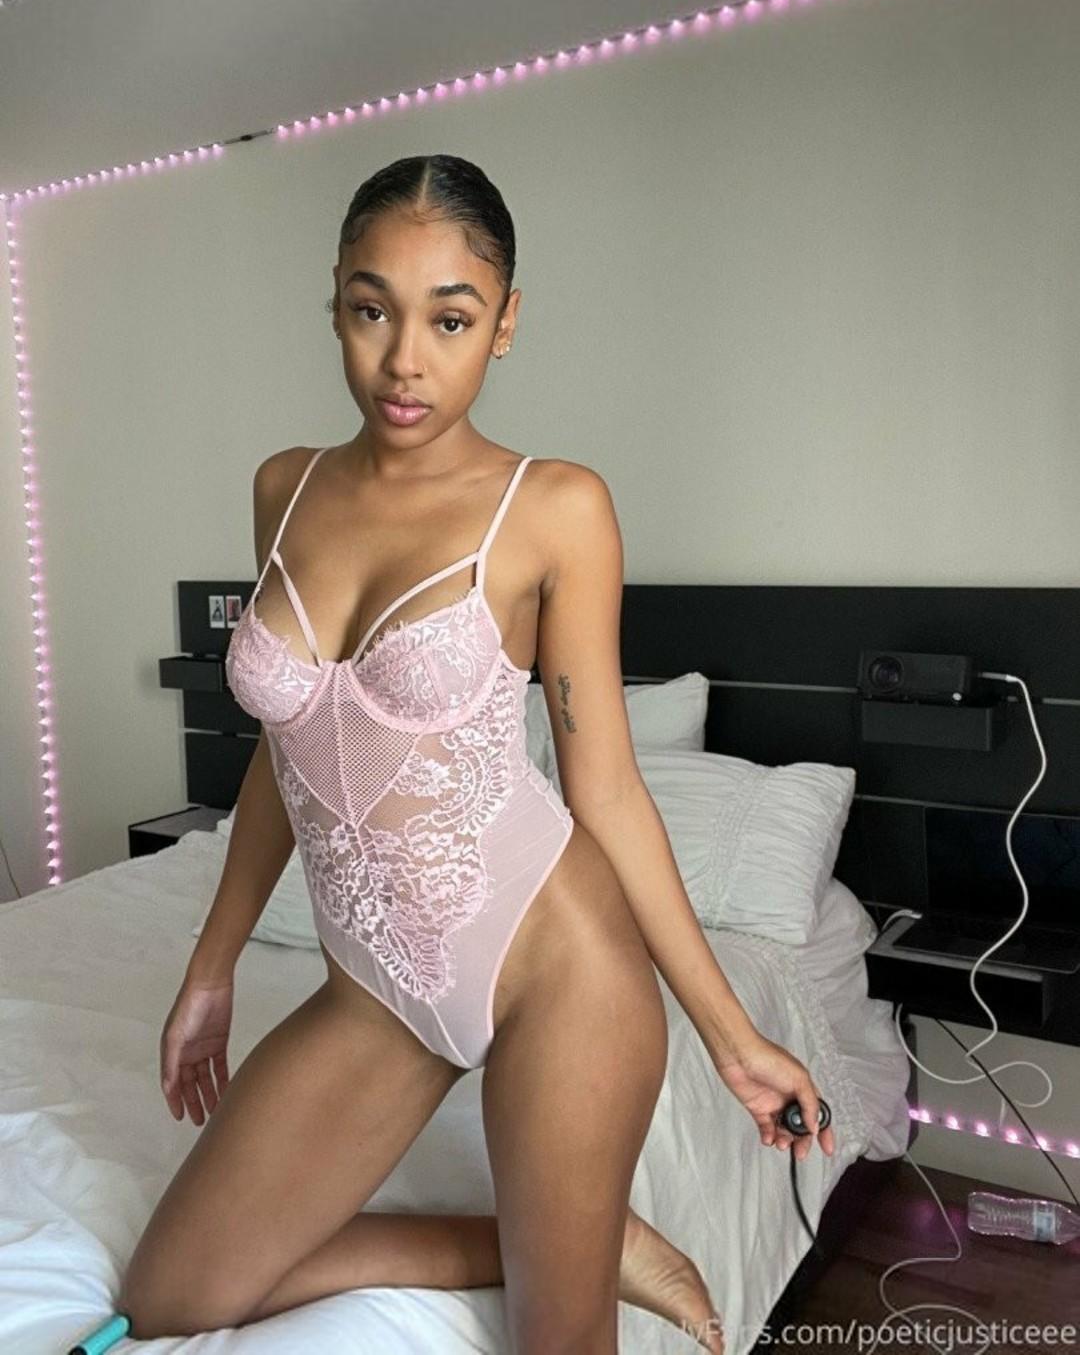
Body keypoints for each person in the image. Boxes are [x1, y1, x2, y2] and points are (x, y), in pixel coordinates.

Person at [120, 153, 833, 1354]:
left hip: (557, 970)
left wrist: (733, 1036)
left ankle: (572, 1249)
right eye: (373, 309)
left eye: (450, 319)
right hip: (373, 992)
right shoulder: (284, 490)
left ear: (503, 324)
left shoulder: (554, 507)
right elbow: (289, 752)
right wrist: (213, 962)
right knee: (169, 1299)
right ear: (336, 303)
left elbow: (608, 789)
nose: (405, 358)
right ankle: (573, 1237)